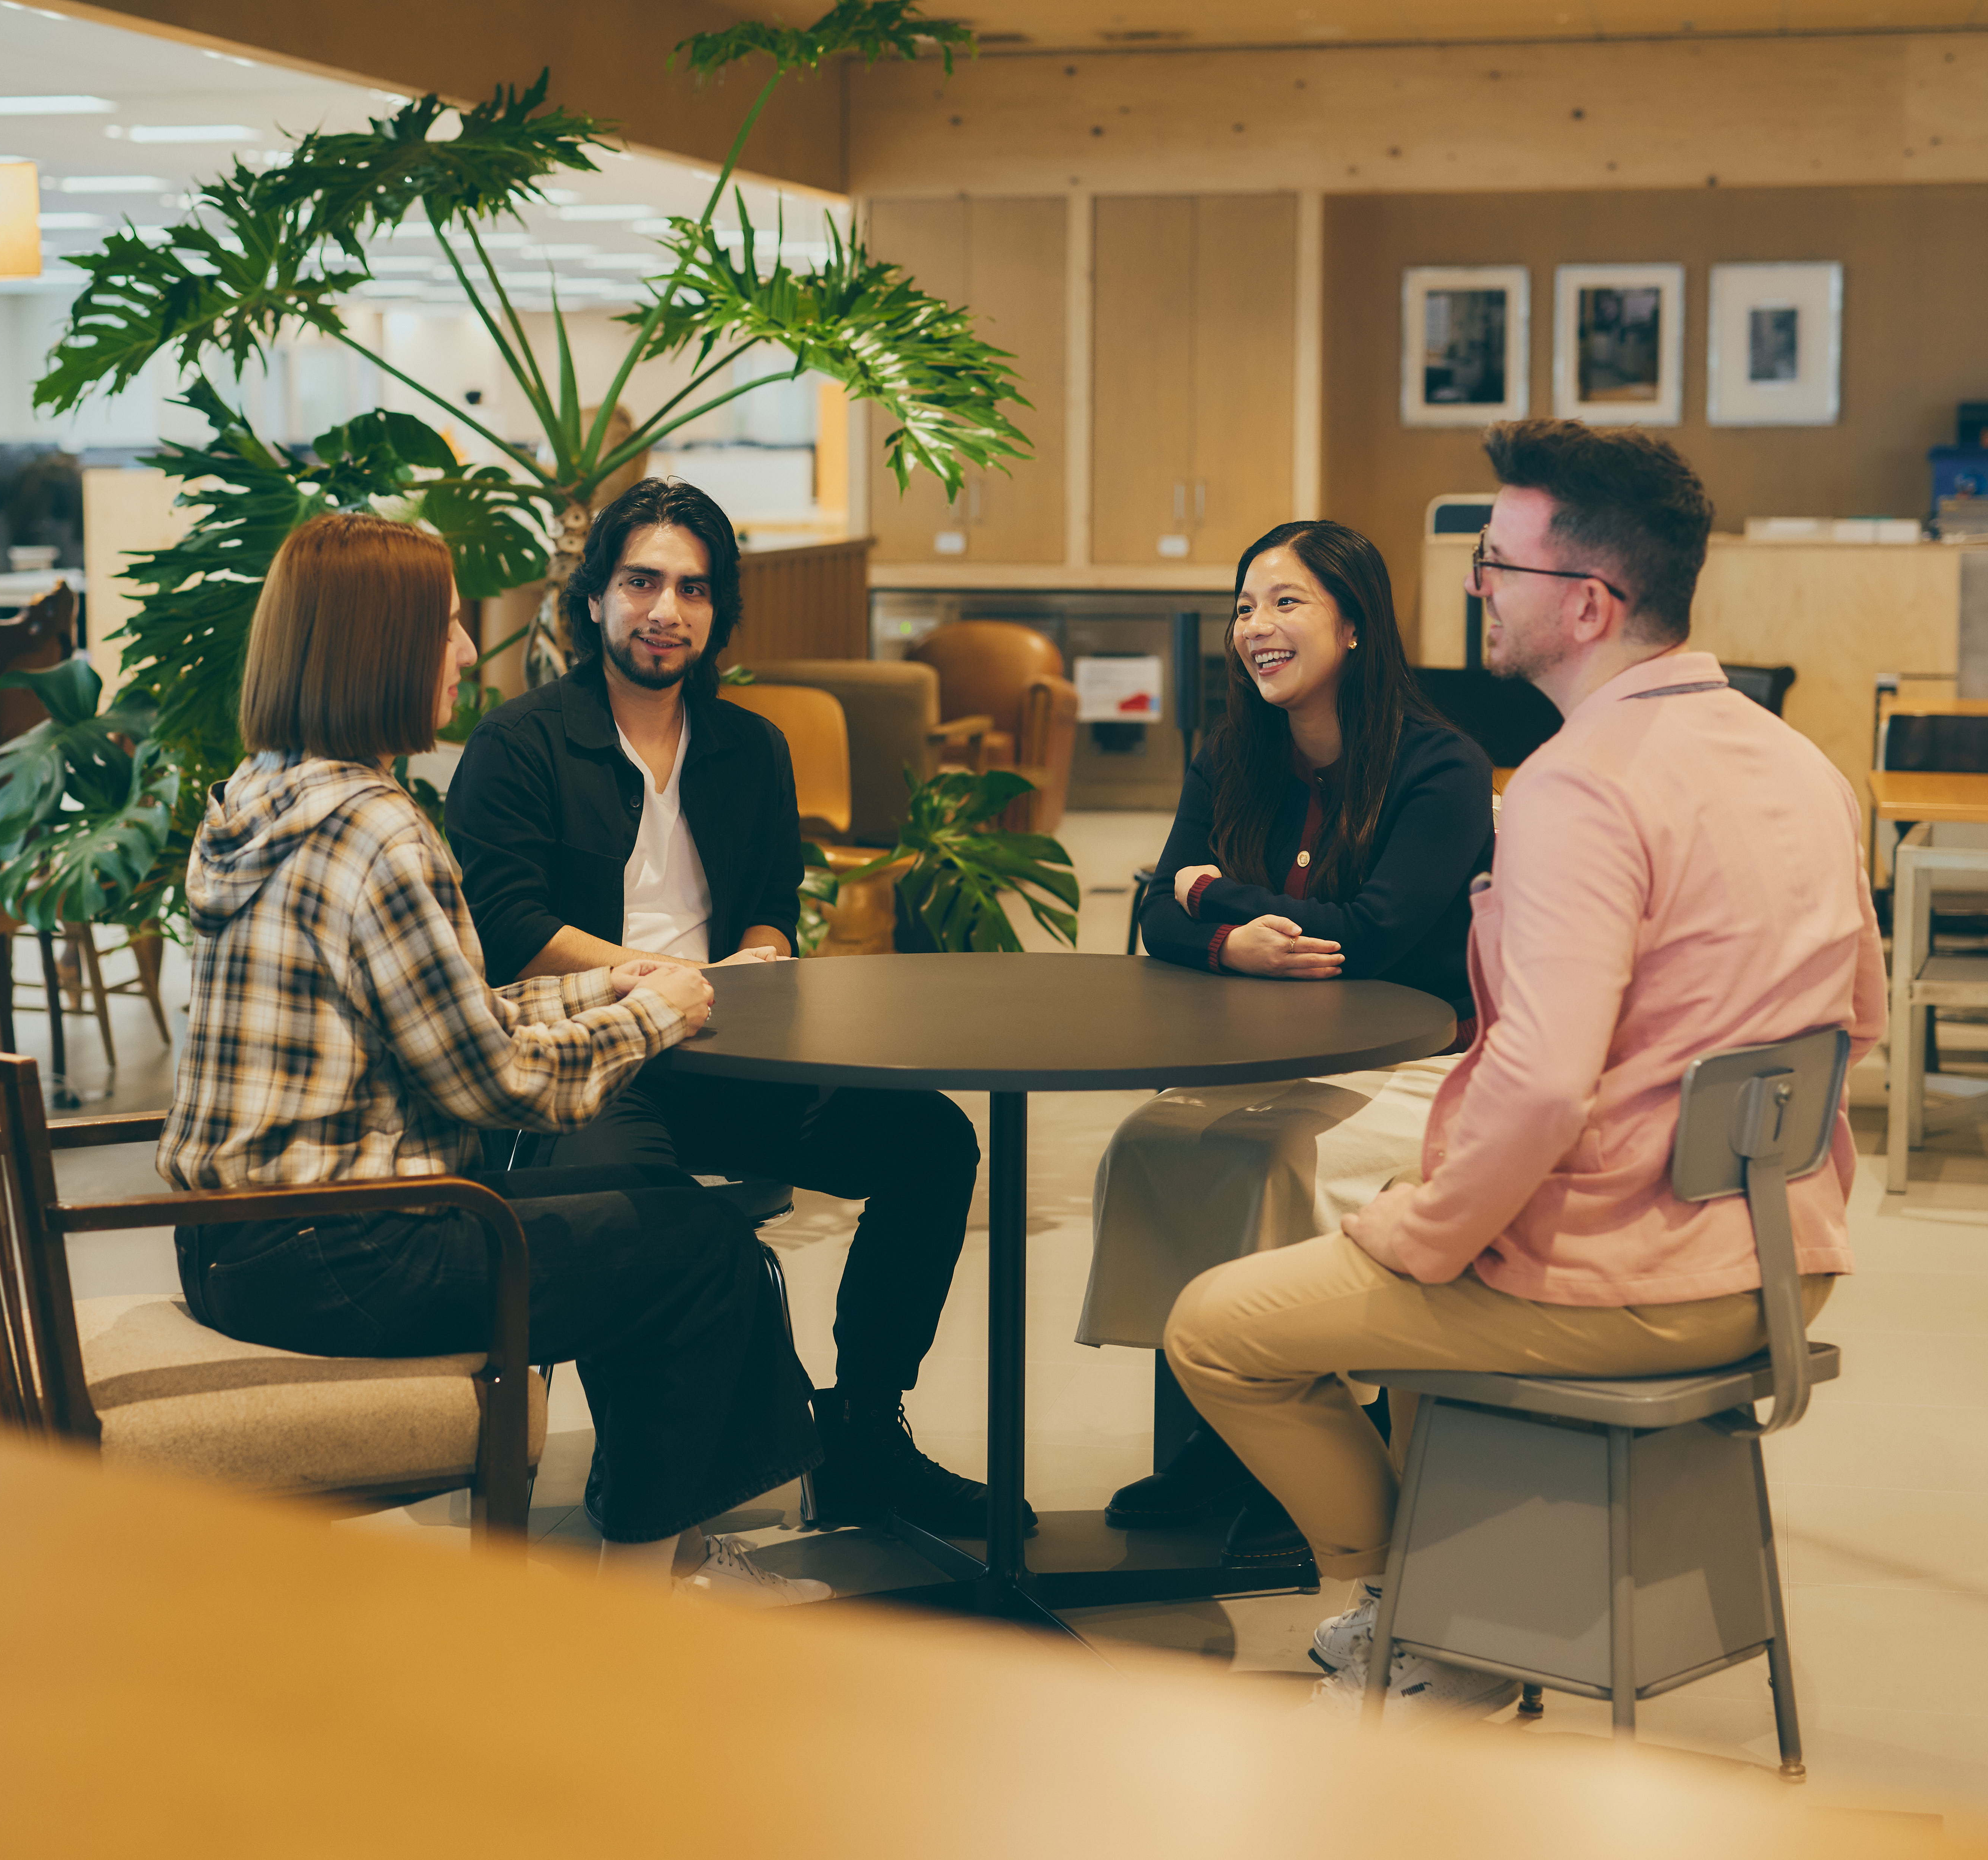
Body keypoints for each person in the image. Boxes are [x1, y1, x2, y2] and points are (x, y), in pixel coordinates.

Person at [1161, 420, 1884, 1722]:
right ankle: (1458, 1604)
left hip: (1630, 1279)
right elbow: (1857, 1025)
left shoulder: (1575, 788)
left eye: (1497, 563)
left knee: (1217, 1329)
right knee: (1385, 1256)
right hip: (1784, 1259)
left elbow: (1543, 1086)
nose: (1475, 585)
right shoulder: (1803, 766)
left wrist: (1429, 1231)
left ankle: (1425, 1619)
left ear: (1588, 602)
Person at [160, 508, 824, 1605]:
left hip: (236, 1244)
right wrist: (657, 1017)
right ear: (380, 648)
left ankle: (680, 1558)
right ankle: (638, 1603)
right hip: (349, 1258)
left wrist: (614, 986)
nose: (468, 652)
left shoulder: (263, 794)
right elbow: (499, 1085)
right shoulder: (378, 831)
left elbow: (447, 1016)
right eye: (447, 627)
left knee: (659, 1219)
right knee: (699, 1252)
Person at [446, 477, 1012, 1542]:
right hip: (586, 1069)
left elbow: (769, 909)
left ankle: (864, 1431)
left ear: (717, 611)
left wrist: (757, 957)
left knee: (931, 1142)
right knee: (645, 1214)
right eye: (641, 583)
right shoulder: (519, 745)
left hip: (729, 1054)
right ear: (594, 600)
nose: (666, 611)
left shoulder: (751, 746)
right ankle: (652, 1468)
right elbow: (508, 925)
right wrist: (656, 981)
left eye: (693, 590)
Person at [1080, 520, 1495, 1551]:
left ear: (1354, 625)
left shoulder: (1440, 766)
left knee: (1270, 1161)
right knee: (1152, 1144)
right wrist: (1233, 946)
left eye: (1286, 602)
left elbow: (1372, 934)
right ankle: (1217, 1438)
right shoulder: (1231, 755)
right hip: (1272, 1058)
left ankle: (1308, 1441)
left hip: (1427, 1062)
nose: (1256, 627)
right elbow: (1153, 917)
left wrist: (1211, 895)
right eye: (1243, 608)